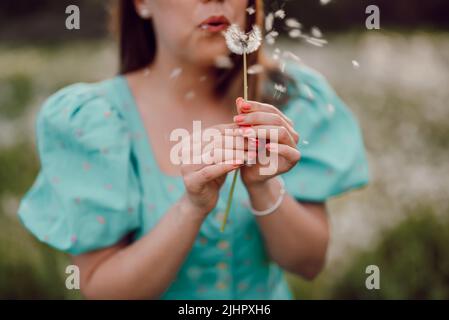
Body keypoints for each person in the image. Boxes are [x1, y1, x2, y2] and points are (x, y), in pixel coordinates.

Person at [18, 0, 369, 299]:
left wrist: (263, 185)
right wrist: (192, 208)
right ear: (141, 2)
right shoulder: (95, 121)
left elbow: (308, 263)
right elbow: (99, 288)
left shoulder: (287, 98)